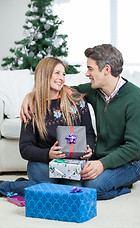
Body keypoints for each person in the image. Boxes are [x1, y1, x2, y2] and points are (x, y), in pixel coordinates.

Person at [19, 44, 140, 200]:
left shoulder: (136, 100)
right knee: (74, 184)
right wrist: (31, 96)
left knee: (92, 188)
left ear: (106, 70)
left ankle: (125, 182)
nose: (87, 74)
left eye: (90, 69)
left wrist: (101, 164)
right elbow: (60, 90)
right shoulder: (94, 91)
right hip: (99, 158)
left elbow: (134, 148)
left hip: (130, 162)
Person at [0, 57, 95, 198]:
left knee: (73, 193)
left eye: (63, 74)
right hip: (42, 163)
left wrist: (89, 148)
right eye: (57, 73)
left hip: (71, 164)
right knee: (49, 190)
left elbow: (89, 133)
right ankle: (4, 186)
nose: (61, 78)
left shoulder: (76, 100)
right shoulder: (32, 105)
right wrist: (48, 154)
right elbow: (25, 148)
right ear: (44, 74)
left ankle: (21, 185)